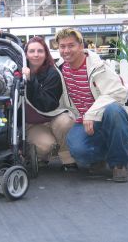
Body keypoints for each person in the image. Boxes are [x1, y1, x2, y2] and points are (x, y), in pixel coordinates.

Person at [55, 28, 128, 182]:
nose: (66, 50)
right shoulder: (60, 69)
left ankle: (119, 164)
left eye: (71, 45)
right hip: (81, 120)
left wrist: (92, 113)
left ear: (80, 45)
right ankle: (101, 157)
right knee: (78, 150)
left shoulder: (98, 67)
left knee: (114, 110)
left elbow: (119, 93)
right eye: (62, 46)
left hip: (105, 116)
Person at [22, 36, 78, 171]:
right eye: (32, 51)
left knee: (66, 122)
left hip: (52, 116)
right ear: (25, 54)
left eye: (40, 51)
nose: (36, 55)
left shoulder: (52, 73)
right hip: (33, 123)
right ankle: (41, 156)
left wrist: (30, 81)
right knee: (45, 145)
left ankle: (67, 158)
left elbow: (47, 104)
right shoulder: (18, 72)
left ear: (46, 53)